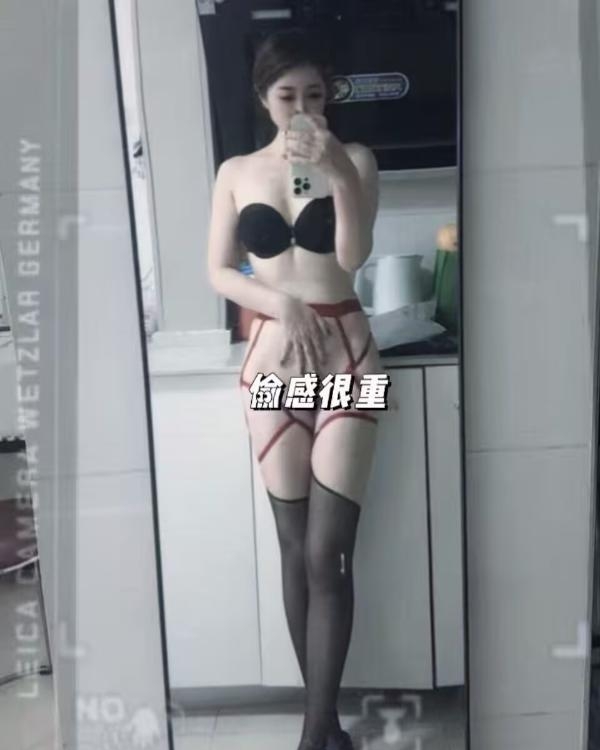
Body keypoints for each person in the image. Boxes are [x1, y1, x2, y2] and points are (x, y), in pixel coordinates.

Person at [207, 28, 388, 750]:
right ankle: (327, 726)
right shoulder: (235, 172)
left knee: (327, 552)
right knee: (291, 546)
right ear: (264, 98)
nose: (304, 109)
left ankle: (315, 732)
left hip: (355, 367)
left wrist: (338, 171)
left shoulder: (358, 160)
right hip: (267, 374)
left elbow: (354, 255)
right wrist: (278, 302)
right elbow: (218, 270)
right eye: (288, 96)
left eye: (316, 95)